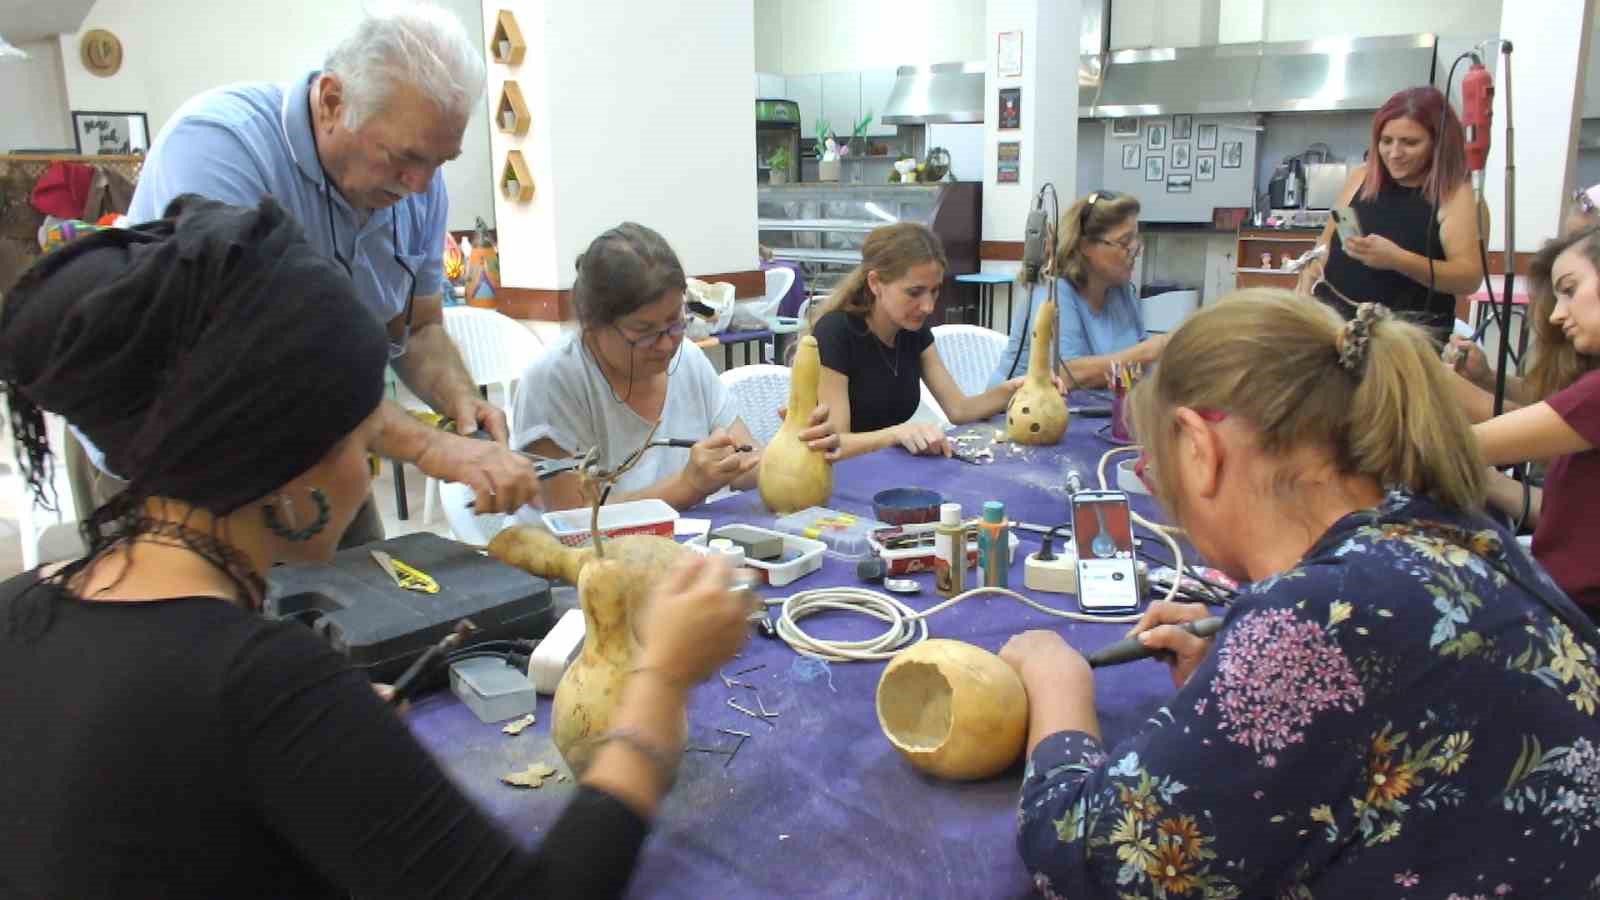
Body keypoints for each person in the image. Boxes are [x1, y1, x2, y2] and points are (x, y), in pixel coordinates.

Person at [0, 196, 752, 898]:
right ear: (287, 467)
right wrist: (659, 681)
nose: (369, 470)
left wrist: (320, 747)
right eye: (366, 439)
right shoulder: (263, 686)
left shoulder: (21, 607)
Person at [1002, 289, 1600, 897]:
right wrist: (1249, 676)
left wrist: (1058, 687)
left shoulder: (1315, 620)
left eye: (1158, 468)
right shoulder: (1450, 531)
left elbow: (1092, 862)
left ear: (1198, 448)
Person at [64, 1, 538, 548]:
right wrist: (431, 447)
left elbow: (421, 328)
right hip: (177, 461)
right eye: (405, 157)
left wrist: (459, 401)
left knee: (374, 612)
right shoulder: (219, 149)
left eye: (441, 161)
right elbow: (257, 365)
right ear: (334, 101)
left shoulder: (418, 187)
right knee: (199, 623)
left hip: (318, 450)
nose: (421, 184)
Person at [515, 223, 839, 511]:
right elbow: (574, 517)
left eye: (675, 322)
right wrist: (687, 486)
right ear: (592, 325)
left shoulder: (687, 359)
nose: (667, 344)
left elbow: (744, 459)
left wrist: (796, 451)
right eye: (643, 333)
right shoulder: (553, 382)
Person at [1447, 224, 1600, 621]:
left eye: (1569, 290)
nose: (1556, 314)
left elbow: (1465, 444)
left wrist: (1418, 378)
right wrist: (1486, 481)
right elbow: (1564, 514)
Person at [812, 222, 1032, 458]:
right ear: (875, 283)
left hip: (884, 468)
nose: (928, 306)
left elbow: (959, 409)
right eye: (914, 293)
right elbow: (835, 444)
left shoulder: (912, 331)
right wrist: (896, 434)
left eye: (934, 291)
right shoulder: (835, 332)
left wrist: (1018, 388)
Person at [1296, 86, 1484, 334]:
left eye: (1410, 143)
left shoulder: (1457, 197)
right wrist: (1305, 285)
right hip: (1334, 328)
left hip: (1406, 344)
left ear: (1439, 144)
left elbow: (1468, 278)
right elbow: (1324, 246)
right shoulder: (1361, 177)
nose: (1394, 154)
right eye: (1386, 141)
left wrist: (1398, 259)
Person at [987, 191, 1166, 390]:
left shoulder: (1122, 291)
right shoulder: (1053, 291)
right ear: (1085, 245)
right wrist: (1149, 352)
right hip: (1016, 412)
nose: (1136, 250)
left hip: (1090, 411)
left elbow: (1143, 369)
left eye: (1136, 240)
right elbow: (1066, 375)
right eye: (1125, 242)